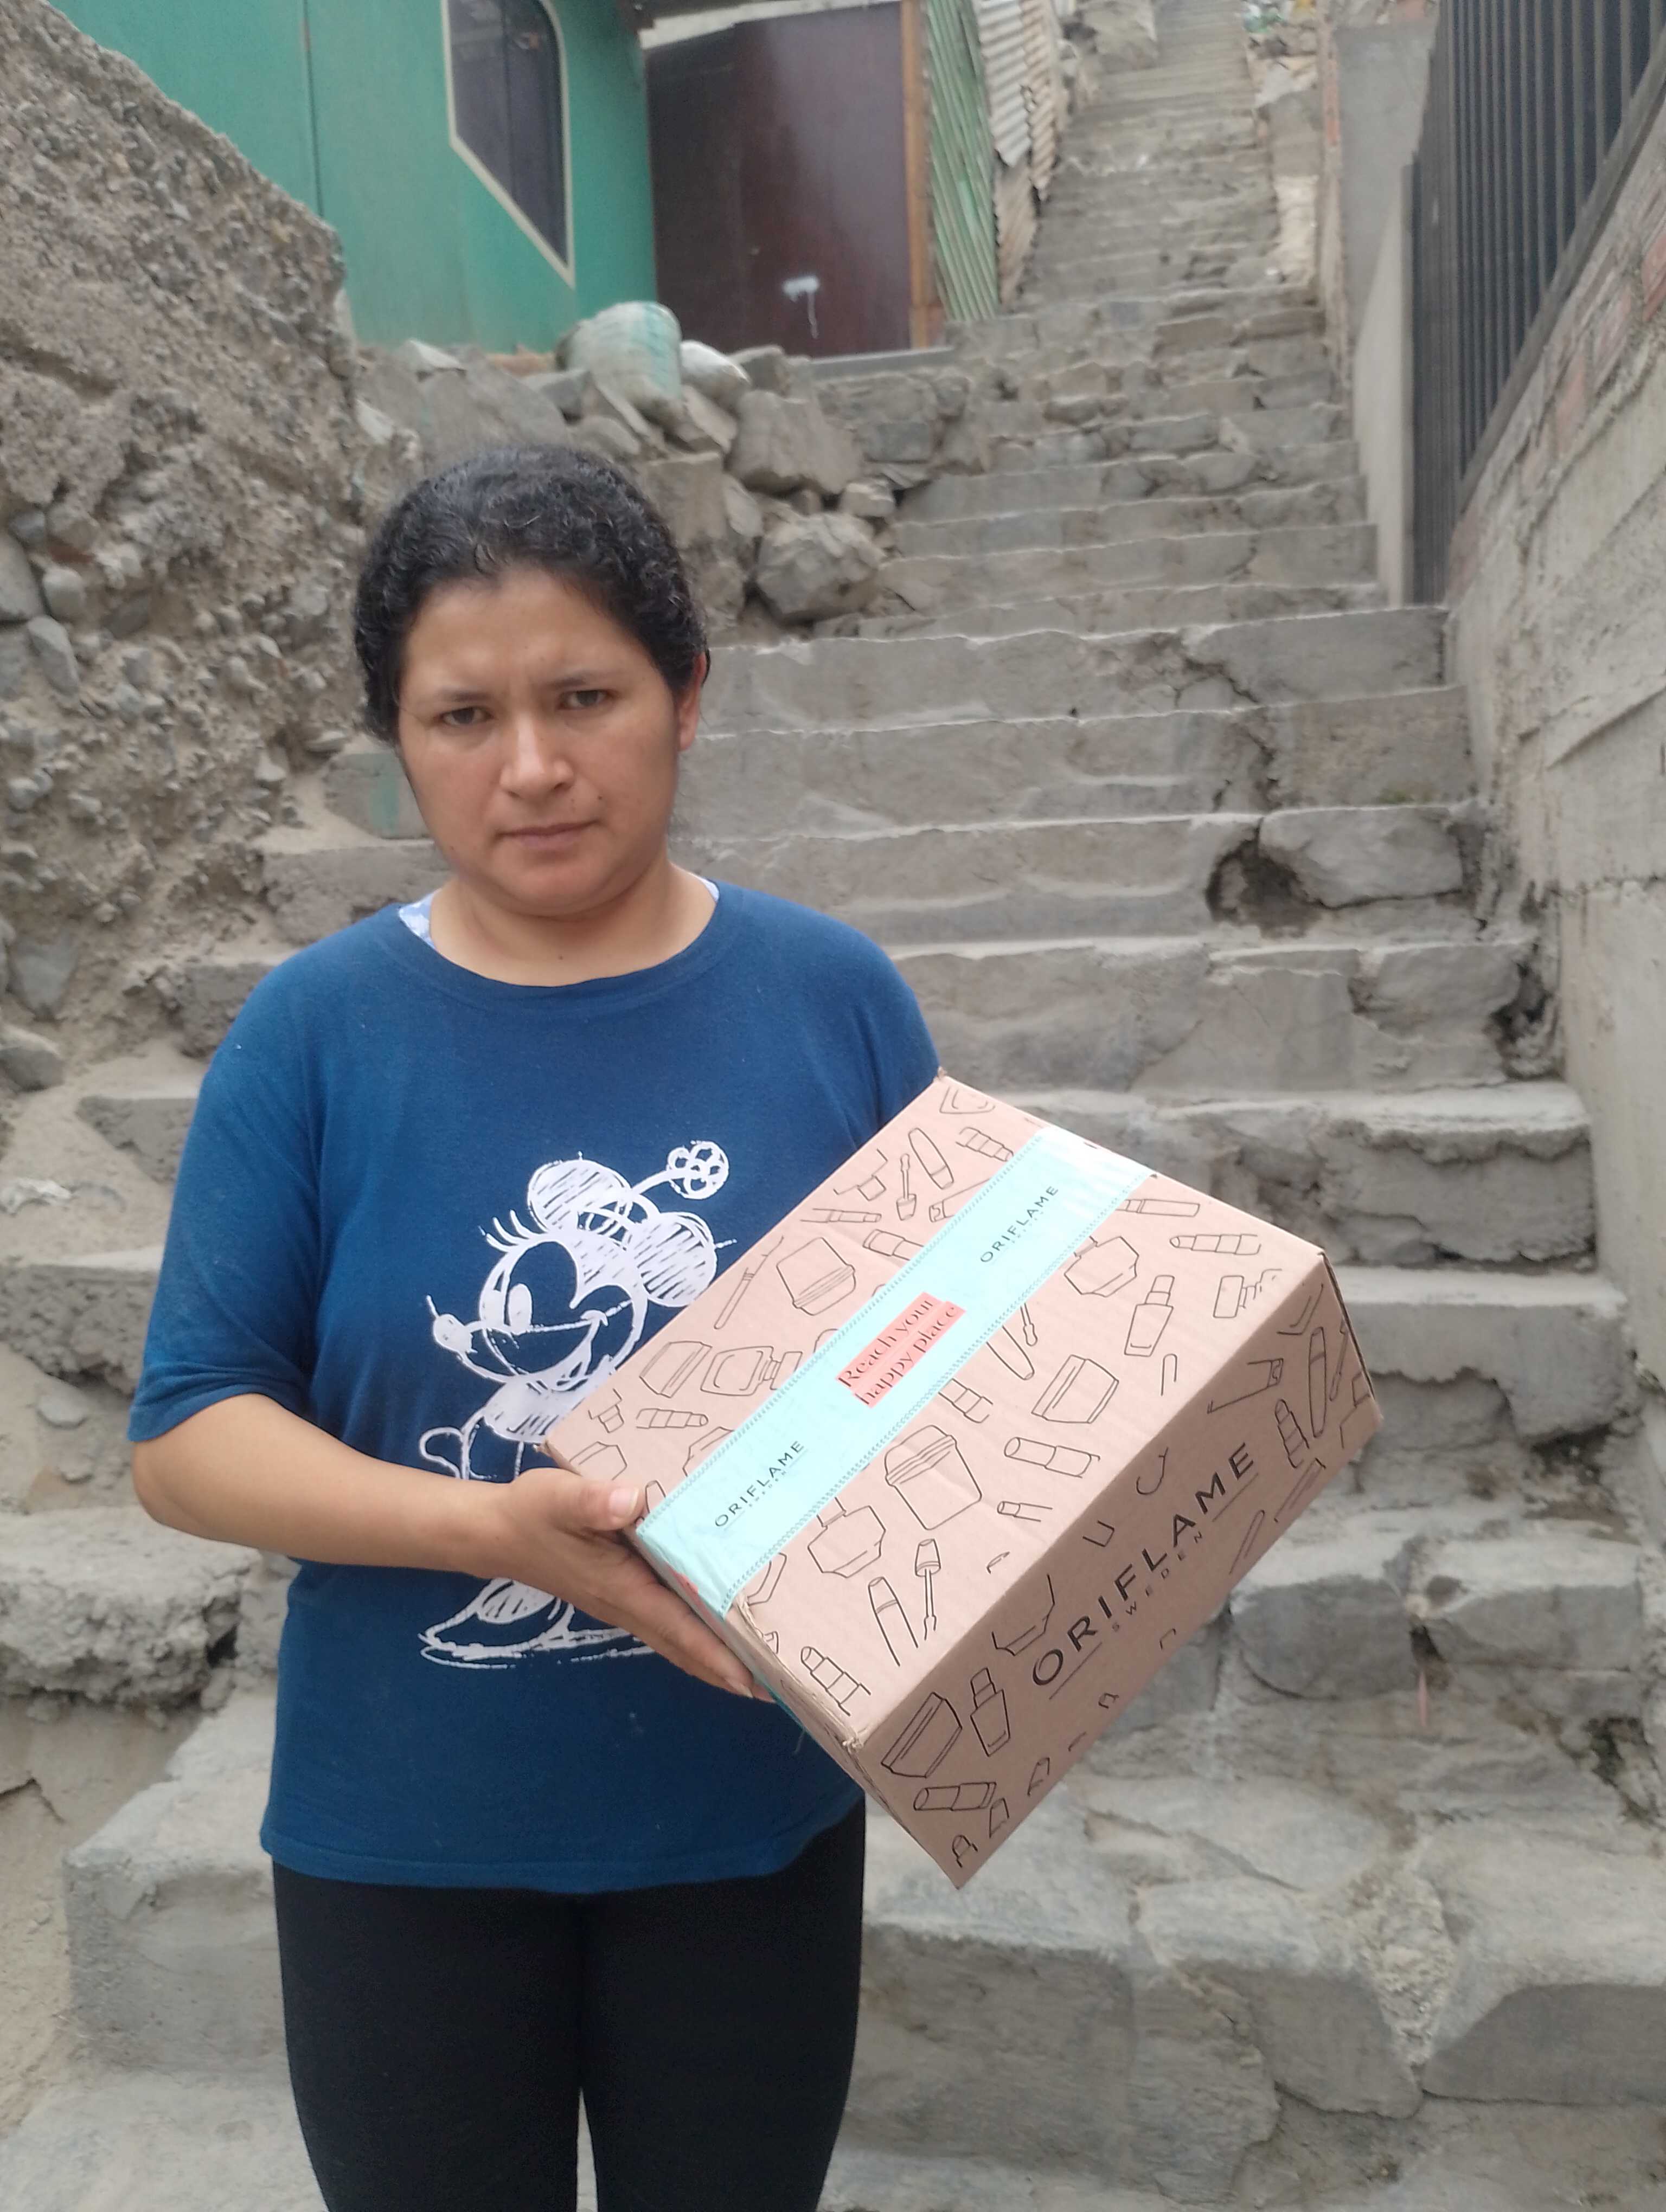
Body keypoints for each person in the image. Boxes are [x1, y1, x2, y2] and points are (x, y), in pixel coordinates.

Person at [129, 443, 939, 2212]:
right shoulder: (312, 1035)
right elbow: (188, 1434)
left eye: (585, 696)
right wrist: (490, 1532)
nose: (532, 767)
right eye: (461, 717)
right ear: (397, 742)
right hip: (403, 1841)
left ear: (687, 694)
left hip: (747, 1820)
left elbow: (942, 1369)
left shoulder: (836, 1004)